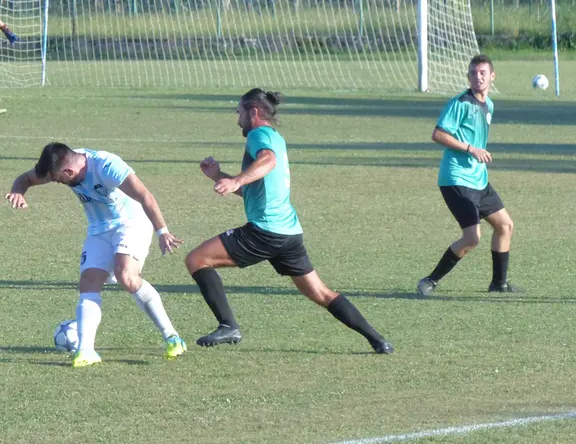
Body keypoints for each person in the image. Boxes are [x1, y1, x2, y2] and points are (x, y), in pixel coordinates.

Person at [184, 88, 394, 354]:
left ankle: (228, 326)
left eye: (239, 113)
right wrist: (219, 176)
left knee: (196, 260)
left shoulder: (258, 135)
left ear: (253, 112)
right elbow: (254, 190)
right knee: (321, 293)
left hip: (265, 232)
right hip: (289, 235)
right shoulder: (275, 138)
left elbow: (267, 161)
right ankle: (378, 340)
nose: (238, 120)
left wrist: (236, 179)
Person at [5, 143, 187, 367]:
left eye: (59, 180)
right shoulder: (60, 166)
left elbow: (144, 195)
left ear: (69, 172)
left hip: (131, 223)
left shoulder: (107, 165)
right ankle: (86, 351)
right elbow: (26, 178)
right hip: (99, 229)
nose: (58, 183)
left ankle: (172, 338)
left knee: (126, 276)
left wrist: (163, 232)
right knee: (88, 282)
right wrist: (18, 191)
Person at [417, 55, 518, 296]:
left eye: (483, 72)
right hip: (456, 179)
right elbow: (438, 134)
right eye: (473, 73)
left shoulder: (489, 105)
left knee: (505, 225)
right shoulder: (460, 103)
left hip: (478, 179)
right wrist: (471, 149)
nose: (478, 77)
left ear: (492, 76)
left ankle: (498, 285)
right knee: (472, 237)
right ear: (468, 77)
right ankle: (429, 281)